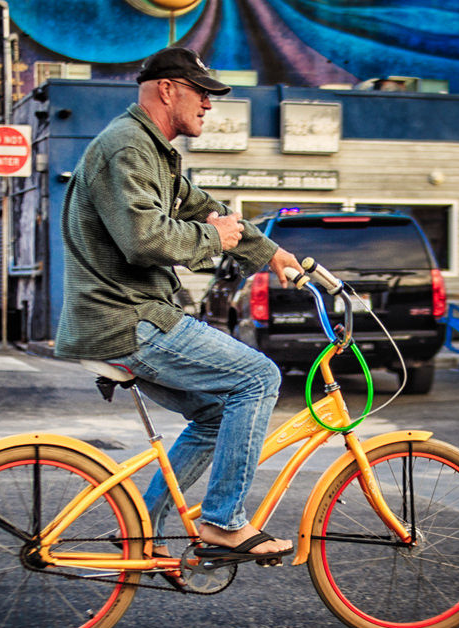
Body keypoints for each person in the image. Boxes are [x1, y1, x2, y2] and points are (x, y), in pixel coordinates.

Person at [54, 47, 300, 569]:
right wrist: (212, 238)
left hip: (128, 315)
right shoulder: (127, 148)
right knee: (257, 378)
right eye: (203, 92)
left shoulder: (151, 152)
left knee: (215, 414)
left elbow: (204, 206)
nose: (210, 105)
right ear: (168, 89)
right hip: (130, 317)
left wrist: (272, 253)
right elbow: (144, 240)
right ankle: (224, 522)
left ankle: (143, 529)